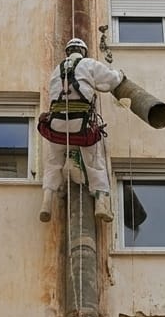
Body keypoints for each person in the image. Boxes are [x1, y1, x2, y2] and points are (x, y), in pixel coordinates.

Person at [39, 37, 122, 223]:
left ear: (67, 52)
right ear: (83, 51)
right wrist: (121, 75)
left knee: (53, 162)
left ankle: (47, 200)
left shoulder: (56, 70)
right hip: (80, 124)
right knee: (95, 162)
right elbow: (111, 81)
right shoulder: (88, 64)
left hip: (56, 125)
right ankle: (101, 203)